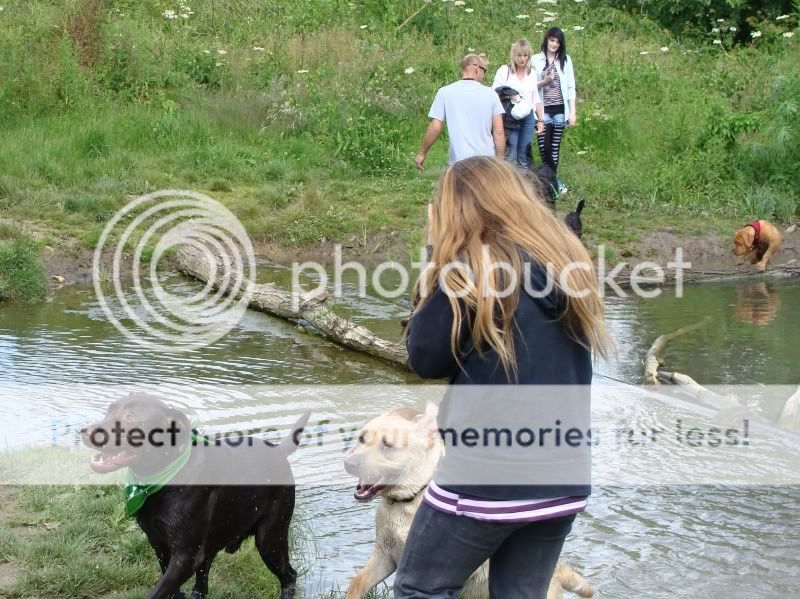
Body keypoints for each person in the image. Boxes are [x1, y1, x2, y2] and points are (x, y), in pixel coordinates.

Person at [395, 157, 613, 599]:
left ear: (457, 211)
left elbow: (424, 357)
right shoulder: (563, 260)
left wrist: (434, 262)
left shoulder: (468, 271)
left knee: (420, 588)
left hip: (489, 472)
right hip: (565, 474)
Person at [416, 55, 505, 169]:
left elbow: (435, 127)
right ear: (477, 68)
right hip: (485, 161)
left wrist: (422, 153)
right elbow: (498, 131)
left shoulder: (445, 92)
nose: (484, 75)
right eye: (484, 70)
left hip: (458, 162)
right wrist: (500, 160)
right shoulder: (491, 94)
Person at [533, 27, 577, 194]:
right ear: (547, 40)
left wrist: (572, 112)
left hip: (559, 110)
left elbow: (571, 86)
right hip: (542, 111)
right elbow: (530, 86)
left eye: (558, 42)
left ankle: (551, 186)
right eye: (552, 40)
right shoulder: (535, 60)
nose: (554, 44)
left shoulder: (565, 60)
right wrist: (545, 81)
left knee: (554, 148)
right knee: (544, 149)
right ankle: (555, 183)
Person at [491, 39, 545, 168]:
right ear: (513, 55)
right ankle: (508, 182)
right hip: (510, 117)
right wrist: (510, 94)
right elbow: (494, 92)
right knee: (511, 151)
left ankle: (524, 183)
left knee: (524, 152)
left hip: (528, 116)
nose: (522, 59)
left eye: (525, 55)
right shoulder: (505, 71)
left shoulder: (532, 73)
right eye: (519, 55)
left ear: (529, 56)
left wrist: (541, 119)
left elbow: (535, 97)